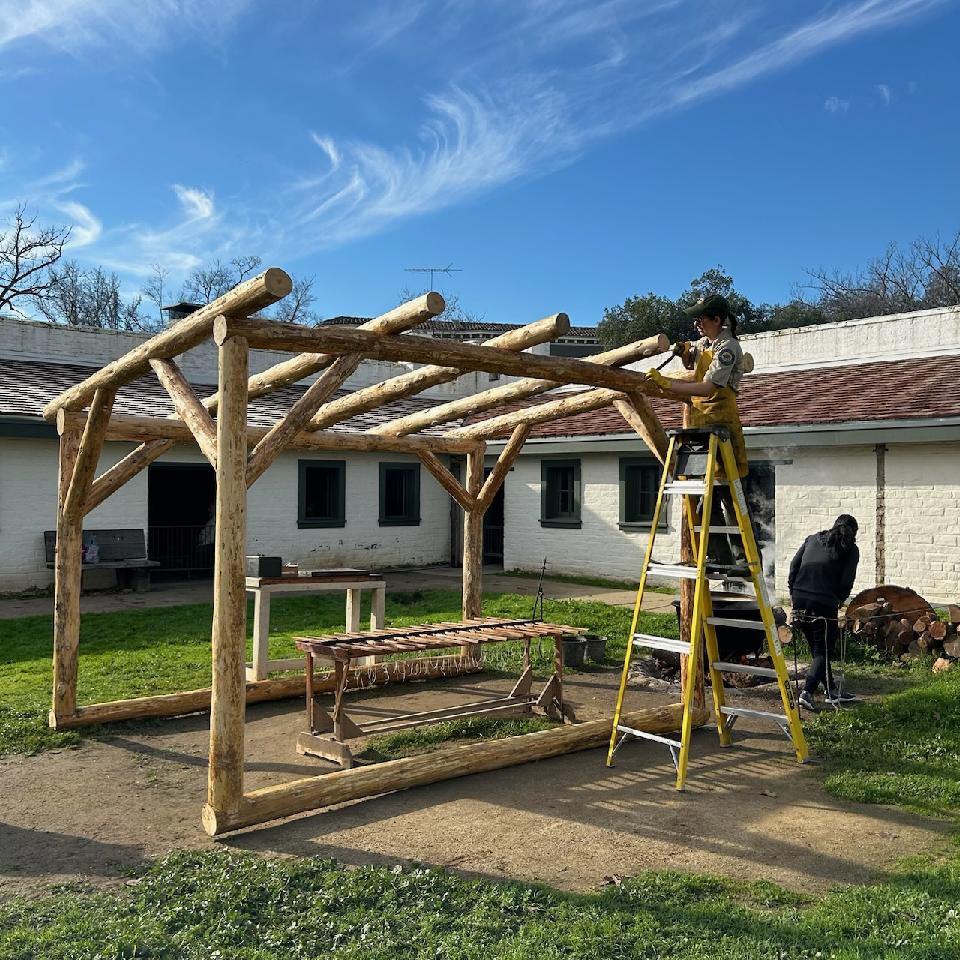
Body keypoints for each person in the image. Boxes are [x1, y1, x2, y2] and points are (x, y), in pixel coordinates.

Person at [646, 293, 749, 567]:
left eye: (701, 319)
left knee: (728, 495)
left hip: (721, 425)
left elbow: (708, 387)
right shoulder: (708, 342)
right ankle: (716, 555)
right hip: (699, 424)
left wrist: (667, 384)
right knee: (703, 495)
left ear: (717, 319)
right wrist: (684, 354)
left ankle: (742, 559)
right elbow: (693, 362)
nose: (696, 325)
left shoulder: (728, 348)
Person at [788, 515, 860, 710]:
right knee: (823, 650)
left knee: (818, 650)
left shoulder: (812, 539)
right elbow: (846, 581)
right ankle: (806, 693)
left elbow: (794, 566)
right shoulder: (851, 549)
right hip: (824, 602)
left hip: (800, 599)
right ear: (854, 532)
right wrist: (839, 599)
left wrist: (793, 592)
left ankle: (831, 690)